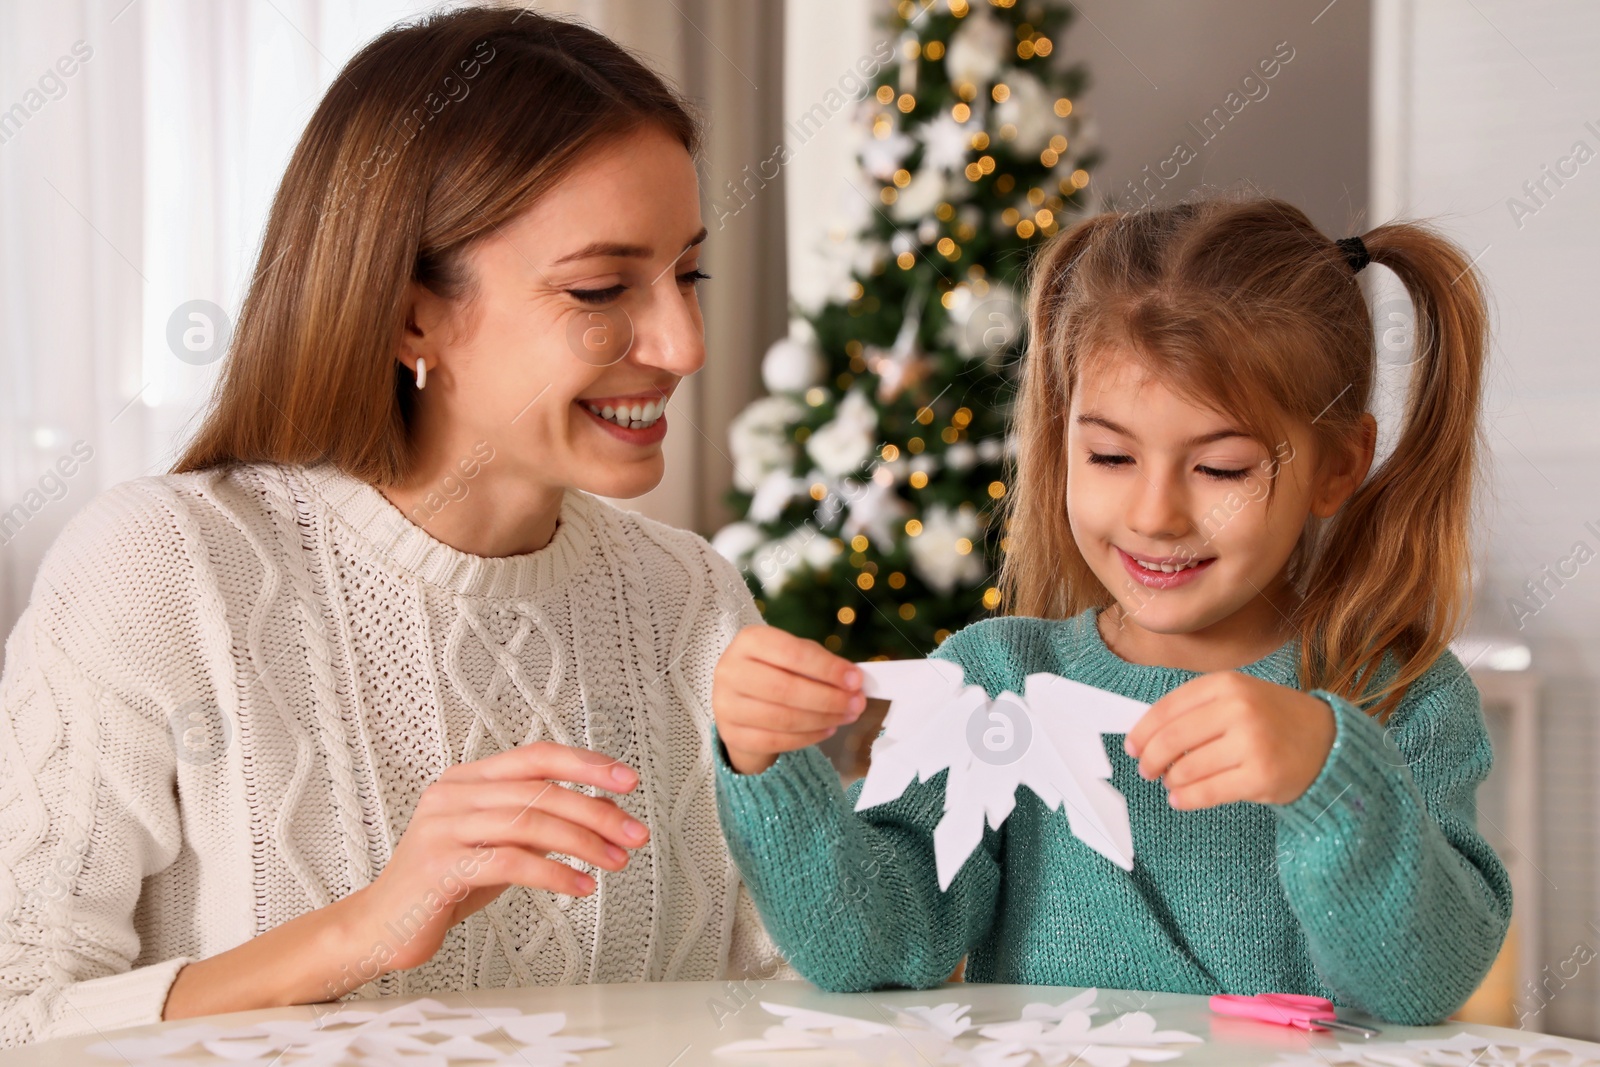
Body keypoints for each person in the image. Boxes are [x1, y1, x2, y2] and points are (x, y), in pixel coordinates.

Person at [0, 6, 789, 1047]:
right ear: (412, 311)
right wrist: (363, 929)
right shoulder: (162, 567)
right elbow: (20, 1007)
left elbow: (785, 1003)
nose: (683, 343)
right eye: (602, 287)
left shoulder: (692, 598)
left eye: (688, 273)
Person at [711, 192, 1513, 1025]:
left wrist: (1329, 774)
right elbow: (873, 953)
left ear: (1338, 468)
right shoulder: (994, 680)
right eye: (1110, 454)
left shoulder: (1402, 696)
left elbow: (1420, 989)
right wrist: (768, 764)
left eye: (1223, 469)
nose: (1154, 514)